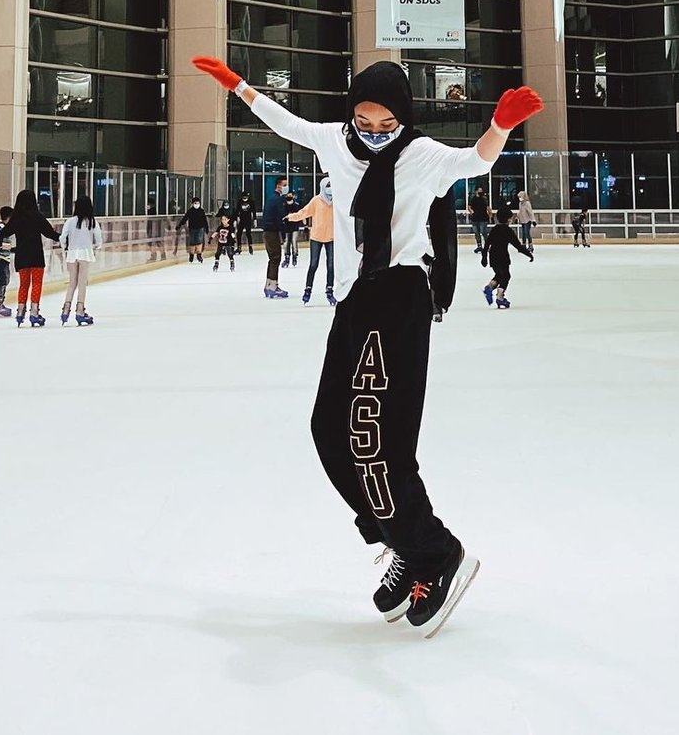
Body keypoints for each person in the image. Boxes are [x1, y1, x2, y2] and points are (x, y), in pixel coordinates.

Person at [193, 53, 543, 638]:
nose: (374, 133)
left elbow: (476, 162)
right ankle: (402, 538)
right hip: (356, 299)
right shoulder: (335, 143)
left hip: (400, 296)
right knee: (330, 431)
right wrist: (239, 87)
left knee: (377, 438)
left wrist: (500, 126)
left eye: (386, 124)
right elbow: (288, 124)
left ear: (402, 119)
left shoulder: (422, 155)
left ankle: (436, 553)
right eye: (364, 121)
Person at [0, 190, 60, 326]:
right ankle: (34, 312)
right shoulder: (37, 216)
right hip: (36, 256)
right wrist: (64, 239)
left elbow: (4, 232)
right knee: (36, 283)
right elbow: (49, 233)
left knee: (23, 284)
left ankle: (20, 312)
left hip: (22, 256)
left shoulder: (16, 218)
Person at [287, 177, 336, 305]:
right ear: (322, 187)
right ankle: (308, 290)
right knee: (313, 265)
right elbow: (304, 212)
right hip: (316, 238)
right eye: (328, 186)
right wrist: (291, 217)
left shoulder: (336, 201)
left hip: (331, 238)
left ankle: (329, 290)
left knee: (331, 266)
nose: (330, 189)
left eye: (331, 186)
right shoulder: (316, 200)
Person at [59, 195, 104, 325]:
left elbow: (63, 237)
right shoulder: (92, 222)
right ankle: (80, 311)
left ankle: (65, 310)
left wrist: (64, 247)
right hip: (85, 253)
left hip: (72, 253)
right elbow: (98, 238)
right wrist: (96, 247)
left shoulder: (70, 221)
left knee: (72, 282)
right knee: (82, 283)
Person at [482, 209, 533, 309]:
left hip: (493, 256)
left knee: (499, 275)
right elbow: (518, 246)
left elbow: (487, 243)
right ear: (508, 219)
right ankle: (500, 296)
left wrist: (484, 257)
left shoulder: (495, 229)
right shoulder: (508, 231)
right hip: (503, 256)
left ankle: (489, 287)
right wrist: (528, 254)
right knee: (506, 276)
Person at [261, 177, 290, 298]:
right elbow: (279, 219)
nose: (286, 187)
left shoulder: (270, 198)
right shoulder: (277, 200)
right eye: (285, 185)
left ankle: (269, 285)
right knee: (275, 258)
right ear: (279, 186)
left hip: (268, 231)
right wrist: (283, 234)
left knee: (272, 258)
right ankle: (273, 286)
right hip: (272, 232)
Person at [176, 197, 208, 263]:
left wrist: (207, 227)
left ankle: (199, 255)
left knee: (199, 241)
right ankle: (191, 255)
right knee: (192, 242)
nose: (197, 204)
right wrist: (179, 225)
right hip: (192, 228)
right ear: (193, 204)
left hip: (200, 228)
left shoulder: (201, 211)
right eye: (195, 203)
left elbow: (204, 220)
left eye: (198, 203)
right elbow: (185, 218)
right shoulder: (190, 211)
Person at [468, 185, 490, 256]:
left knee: (483, 232)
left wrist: (490, 215)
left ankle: (487, 245)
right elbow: (469, 206)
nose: (481, 192)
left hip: (483, 218)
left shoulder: (484, 199)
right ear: (476, 191)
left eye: (481, 191)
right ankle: (479, 246)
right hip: (475, 219)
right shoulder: (473, 199)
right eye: (479, 190)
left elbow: (488, 207)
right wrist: (472, 212)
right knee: (476, 233)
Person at [281, 191, 300, 268]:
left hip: (295, 226)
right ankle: (287, 257)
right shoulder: (283, 206)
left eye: (290, 195)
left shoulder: (296, 205)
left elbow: (299, 215)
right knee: (286, 242)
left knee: (294, 241)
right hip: (286, 227)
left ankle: (294, 256)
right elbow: (282, 216)